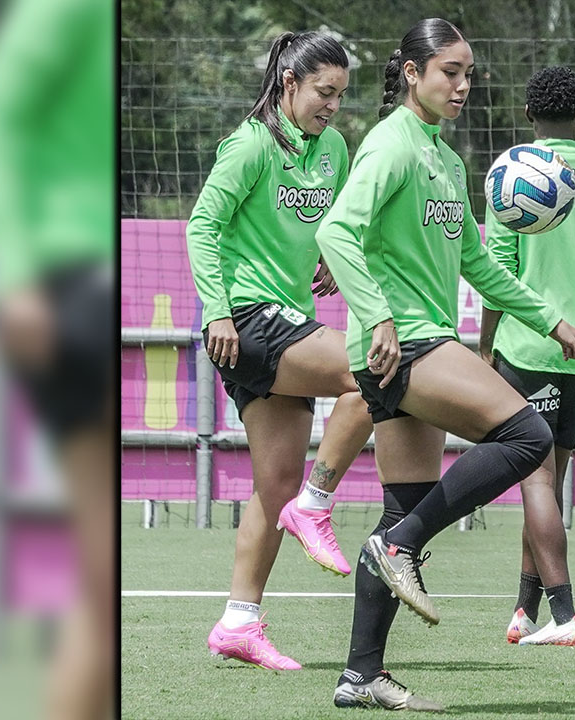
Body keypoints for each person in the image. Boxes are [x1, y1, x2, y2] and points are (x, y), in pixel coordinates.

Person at [314, 18, 575, 711]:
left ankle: (361, 674)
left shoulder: (442, 154)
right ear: (411, 73)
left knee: (402, 507)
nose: (463, 84)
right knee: (528, 436)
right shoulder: (390, 146)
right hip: (403, 343)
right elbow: (336, 231)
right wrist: (378, 314)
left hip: (407, 343)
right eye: (450, 71)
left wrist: (547, 318)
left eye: (469, 73)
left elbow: (475, 261)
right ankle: (402, 547)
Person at [185, 31, 374, 671]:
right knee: (372, 369)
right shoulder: (250, 145)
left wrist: (324, 251)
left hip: (289, 318)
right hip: (246, 319)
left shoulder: (333, 149)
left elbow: (339, 219)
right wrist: (216, 310)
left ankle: (239, 622)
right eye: (324, 92)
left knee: (273, 486)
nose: (333, 106)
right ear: (289, 83)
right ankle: (318, 506)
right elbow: (202, 226)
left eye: (341, 96)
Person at [0, 0, 114, 715]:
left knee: (99, 587)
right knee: (100, 578)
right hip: (69, 286)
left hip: (80, 285)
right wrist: (17, 272)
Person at [478, 66, 575, 647]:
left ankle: (565, 615)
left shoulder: (512, 171)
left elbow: (496, 269)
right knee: (546, 478)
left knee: (535, 482)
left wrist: (486, 341)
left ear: (528, 115)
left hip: (528, 345)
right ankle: (524, 609)